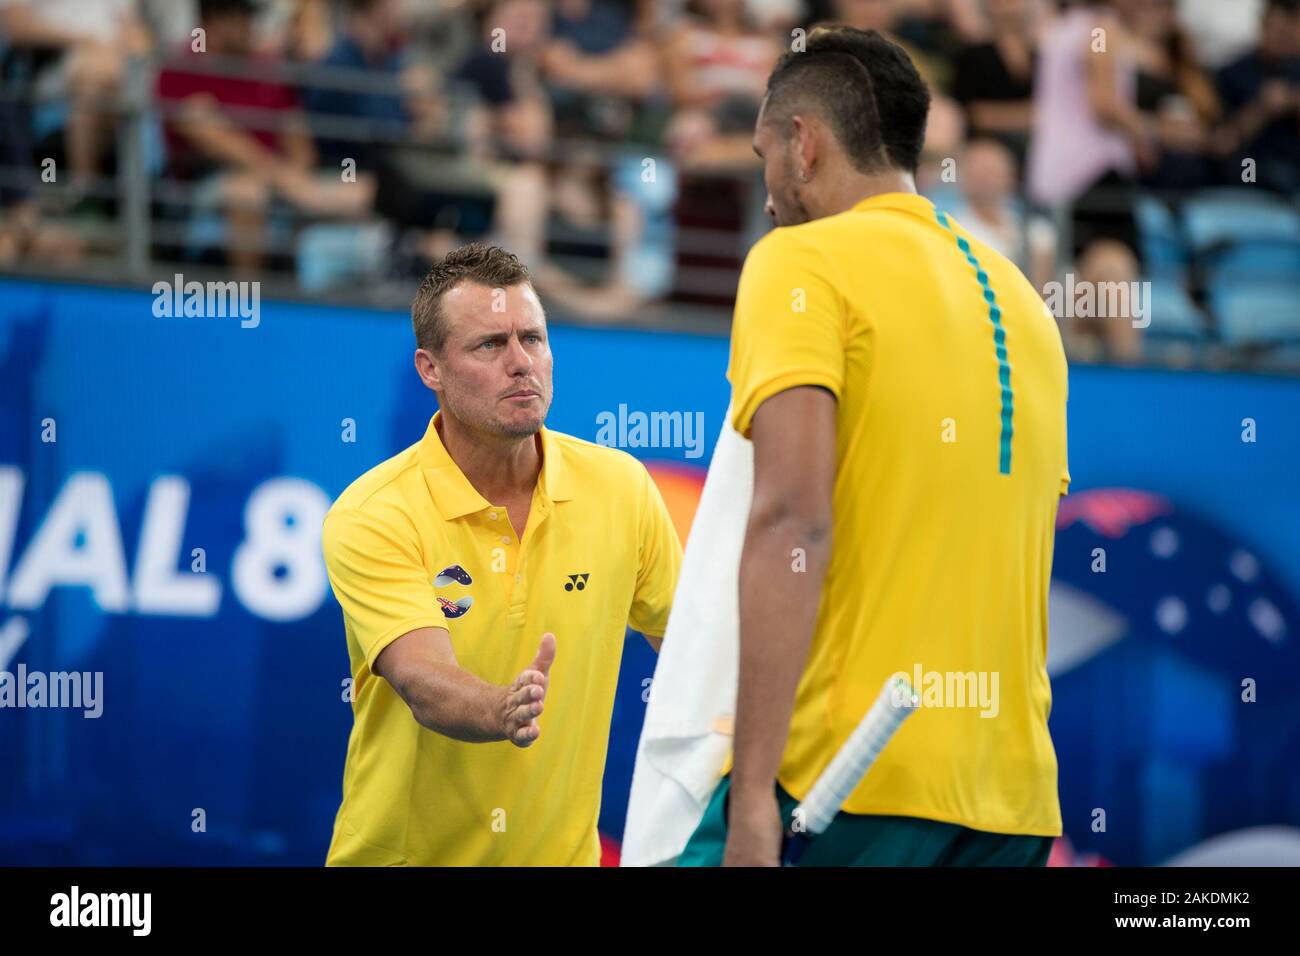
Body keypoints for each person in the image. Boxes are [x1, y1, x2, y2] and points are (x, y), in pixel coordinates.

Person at [678, 25, 1069, 867]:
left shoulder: (800, 261)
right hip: (1013, 802)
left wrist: (749, 798)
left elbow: (793, 524)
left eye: (764, 158)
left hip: (844, 785)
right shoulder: (1027, 301)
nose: (770, 193)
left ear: (804, 144)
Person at [321, 242, 682, 866]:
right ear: (430, 370)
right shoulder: (373, 513)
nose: (522, 364)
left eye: (533, 339)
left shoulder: (621, 487)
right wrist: (500, 709)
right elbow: (422, 680)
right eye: (490, 345)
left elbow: (694, 650)